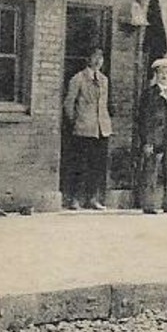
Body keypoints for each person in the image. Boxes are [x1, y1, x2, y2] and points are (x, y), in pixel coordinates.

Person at [63, 47, 112, 210]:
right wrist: (77, 121)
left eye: (101, 57)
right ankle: (75, 198)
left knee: (97, 165)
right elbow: (69, 103)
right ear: (88, 59)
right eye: (95, 57)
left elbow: (104, 104)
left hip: (101, 129)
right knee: (80, 165)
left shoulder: (104, 80)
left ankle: (93, 198)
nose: (98, 61)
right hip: (84, 128)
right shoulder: (78, 79)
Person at [135, 57, 167, 214]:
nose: (164, 75)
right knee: (151, 171)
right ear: (156, 73)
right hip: (155, 138)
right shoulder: (150, 94)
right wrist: (147, 142)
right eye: (161, 72)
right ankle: (148, 204)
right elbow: (145, 120)